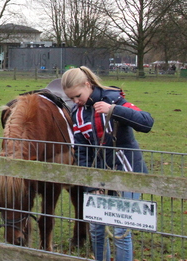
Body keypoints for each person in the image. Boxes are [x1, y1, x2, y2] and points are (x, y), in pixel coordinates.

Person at [61, 66, 154, 261]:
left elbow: (146, 122)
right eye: (71, 99)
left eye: (78, 95)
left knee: (120, 231)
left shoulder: (115, 99)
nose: (76, 101)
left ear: (88, 84)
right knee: (96, 229)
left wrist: (114, 110)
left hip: (127, 173)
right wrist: (91, 184)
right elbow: (82, 151)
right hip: (100, 178)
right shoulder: (76, 113)